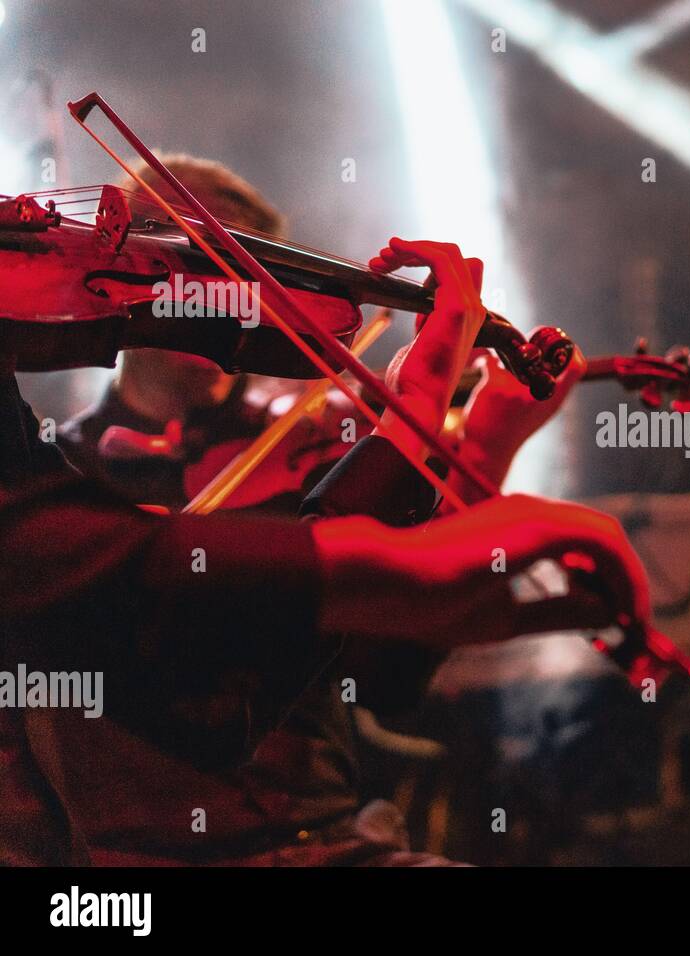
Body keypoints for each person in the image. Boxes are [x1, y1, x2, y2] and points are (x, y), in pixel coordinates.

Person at [0, 167, 645, 864]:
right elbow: (198, 693)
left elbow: (386, 672)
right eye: (199, 262)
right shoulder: (54, 480)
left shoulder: (312, 449)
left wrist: (483, 445)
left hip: (323, 840)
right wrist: (408, 439)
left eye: (244, 272)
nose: (236, 295)